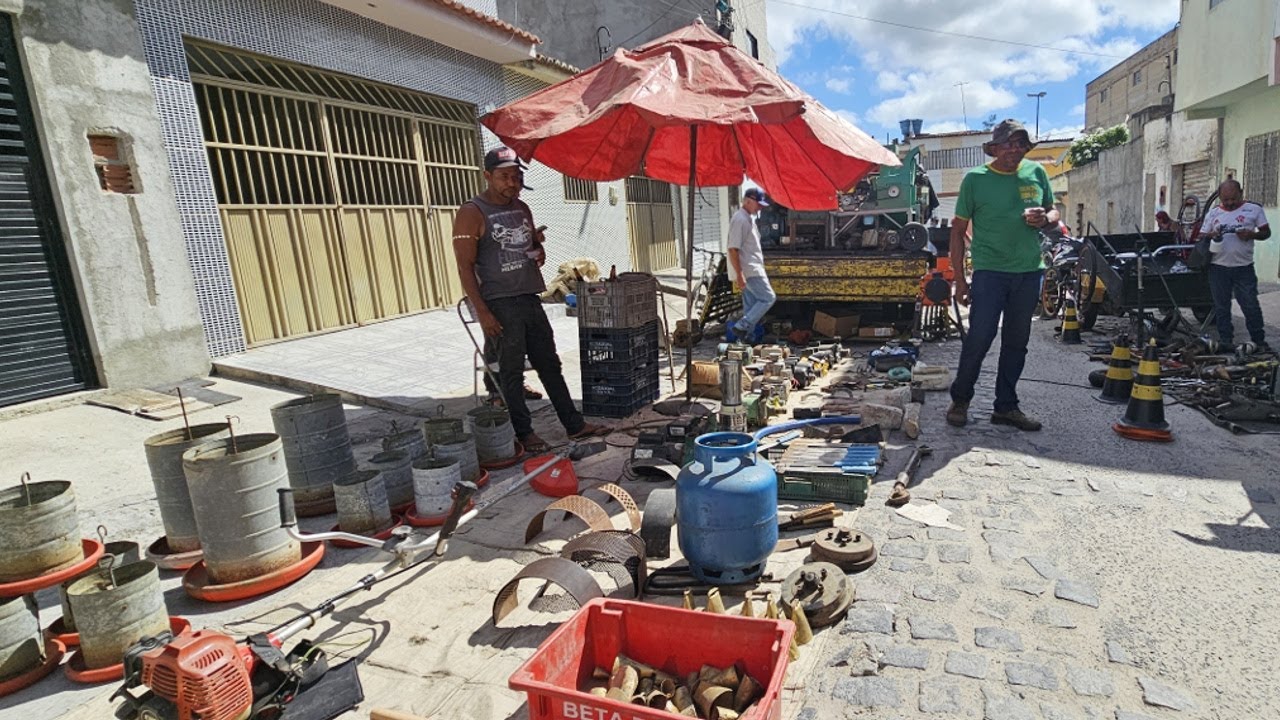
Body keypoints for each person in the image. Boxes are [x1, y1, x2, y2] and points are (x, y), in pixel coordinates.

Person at [452, 146, 607, 453]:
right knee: (510, 371)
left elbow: (533, 249)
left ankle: (573, 425)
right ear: (487, 176)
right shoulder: (472, 212)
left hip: (529, 296)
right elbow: (464, 267)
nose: (512, 182)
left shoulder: (522, 208)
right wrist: (482, 311)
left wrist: (539, 251)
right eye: (504, 176)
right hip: (499, 301)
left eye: (517, 177)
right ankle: (524, 433)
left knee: (549, 363)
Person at [946, 119, 1058, 431]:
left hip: (1029, 271)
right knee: (980, 337)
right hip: (990, 273)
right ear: (994, 148)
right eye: (1008, 143)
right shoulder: (976, 180)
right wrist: (960, 280)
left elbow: (1054, 211)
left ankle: (1006, 407)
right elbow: (957, 232)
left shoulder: (1036, 174)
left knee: (1017, 341)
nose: (1015, 149)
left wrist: (1045, 217)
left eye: (1021, 143)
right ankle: (961, 399)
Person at [1200, 179, 1271, 350]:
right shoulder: (1213, 214)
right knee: (1221, 307)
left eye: (1233, 199)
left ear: (1241, 192)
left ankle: (1259, 341)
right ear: (1220, 197)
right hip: (1218, 269)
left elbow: (1266, 232)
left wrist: (1251, 235)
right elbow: (1202, 237)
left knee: (1250, 305)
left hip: (1244, 268)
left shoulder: (1254, 210)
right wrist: (1212, 234)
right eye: (1226, 200)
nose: (1230, 203)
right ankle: (1226, 342)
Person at [728, 188, 775, 339]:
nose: (760, 208)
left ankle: (747, 341)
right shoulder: (740, 219)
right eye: (758, 204)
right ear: (748, 201)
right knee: (768, 298)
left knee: (750, 306)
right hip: (750, 270)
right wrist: (740, 274)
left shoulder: (747, 218)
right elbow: (733, 249)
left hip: (749, 269)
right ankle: (742, 326)